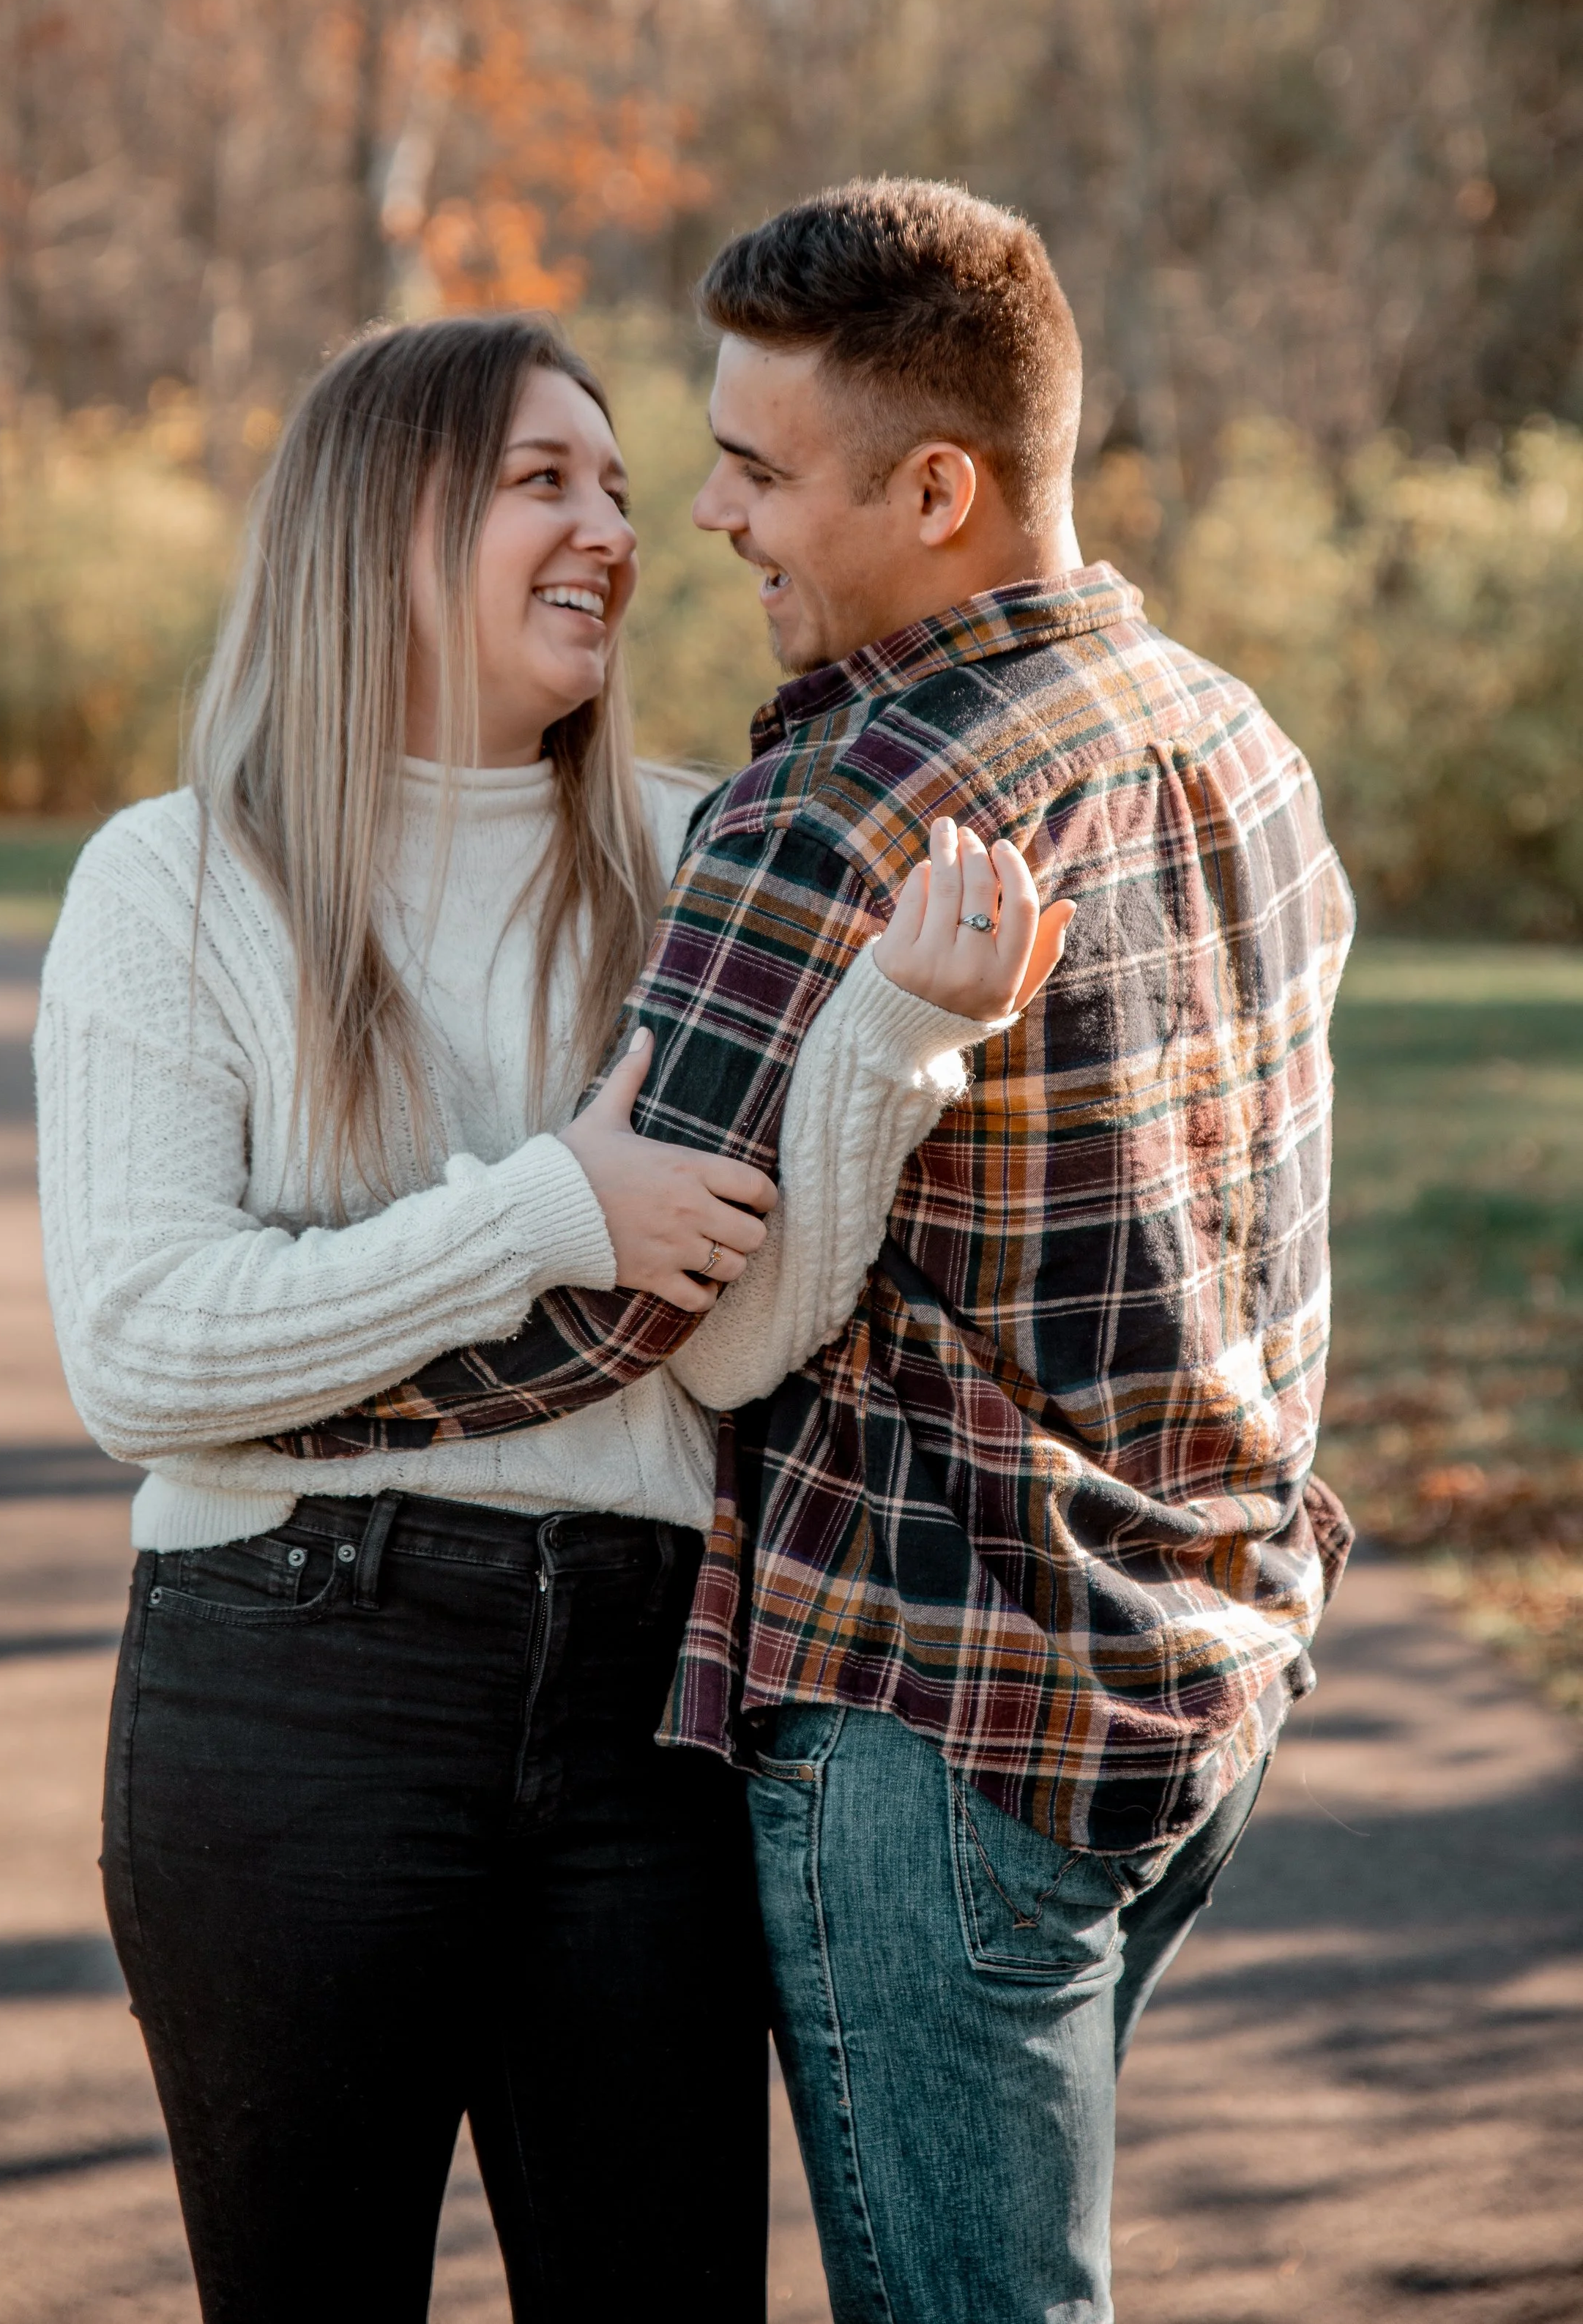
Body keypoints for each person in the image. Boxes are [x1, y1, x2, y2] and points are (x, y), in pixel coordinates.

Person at [276, 185, 1359, 2324]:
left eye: (758, 471)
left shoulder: (844, 800)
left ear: (935, 488)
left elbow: (631, 1304)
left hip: (935, 1714)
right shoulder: (1234, 739)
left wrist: (259, 1383)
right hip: (1207, 1673)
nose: (706, 517)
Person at [34, 311, 1068, 2324]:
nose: (613, 524)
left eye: (617, 483)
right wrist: (547, 1210)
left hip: (642, 1702)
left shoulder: (698, 859)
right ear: (381, 523)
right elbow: (145, 1354)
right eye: (543, 479)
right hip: (287, 1693)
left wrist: (886, 1043)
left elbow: (730, 1346)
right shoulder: (175, 885)